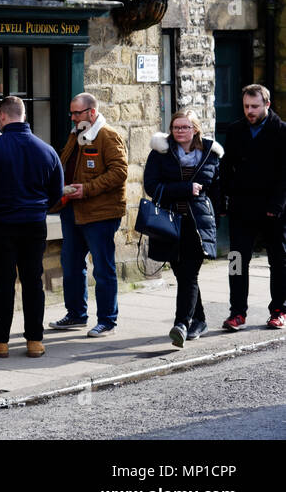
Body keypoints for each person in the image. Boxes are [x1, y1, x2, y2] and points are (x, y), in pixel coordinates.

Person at [0, 96, 64, 358]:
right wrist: (41, 207)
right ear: (23, 115)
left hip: (1, 224)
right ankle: (35, 341)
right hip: (35, 223)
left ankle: (0, 341)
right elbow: (57, 194)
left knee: (4, 282)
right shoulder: (47, 150)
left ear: (2, 117)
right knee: (34, 281)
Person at [50, 93, 128, 338]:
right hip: (71, 210)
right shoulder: (75, 135)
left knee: (103, 269)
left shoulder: (108, 136)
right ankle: (76, 314)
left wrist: (87, 189)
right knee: (71, 265)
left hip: (100, 214)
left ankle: (107, 321)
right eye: (71, 113)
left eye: (77, 113)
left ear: (91, 113)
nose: (72, 117)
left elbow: (120, 172)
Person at [142, 111, 222, 346]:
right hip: (169, 223)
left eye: (185, 127)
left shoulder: (210, 153)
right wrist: (184, 188)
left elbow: (217, 189)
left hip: (197, 225)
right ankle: (200, 320)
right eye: (176, 127)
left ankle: (181, 324)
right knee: (182, 274)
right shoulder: (160, 152)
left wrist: (215, 218)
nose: (180, 131)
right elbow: (151, 186)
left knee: (189, 274)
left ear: (195, 129)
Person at [219, 84, 286, 330]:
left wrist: (277, 204)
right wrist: (222, 199)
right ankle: (237, 312)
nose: (250, 111)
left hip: (273, 208)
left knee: (279, 261)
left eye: (255, 106)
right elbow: (226, 167)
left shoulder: (281, 131)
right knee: (236, 260)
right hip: (241, 207)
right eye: (246, 106)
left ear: (267, 105)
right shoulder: (236, 130)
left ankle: (279, 309)